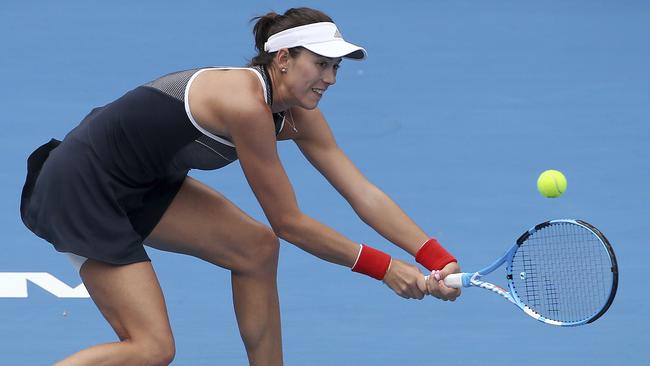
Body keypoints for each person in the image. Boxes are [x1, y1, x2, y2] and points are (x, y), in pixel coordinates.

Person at [19, 7, 461, 366]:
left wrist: (435, 257)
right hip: (82, 188)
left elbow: (362, 192)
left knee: (255, 249)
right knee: (152, 348)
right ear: (283, 59)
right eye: (320, 64)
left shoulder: (300, 115)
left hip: (142, 183)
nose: (330, 78)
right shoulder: (244, 105)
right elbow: (290, 222)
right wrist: (384, 268)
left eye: (335, 67)